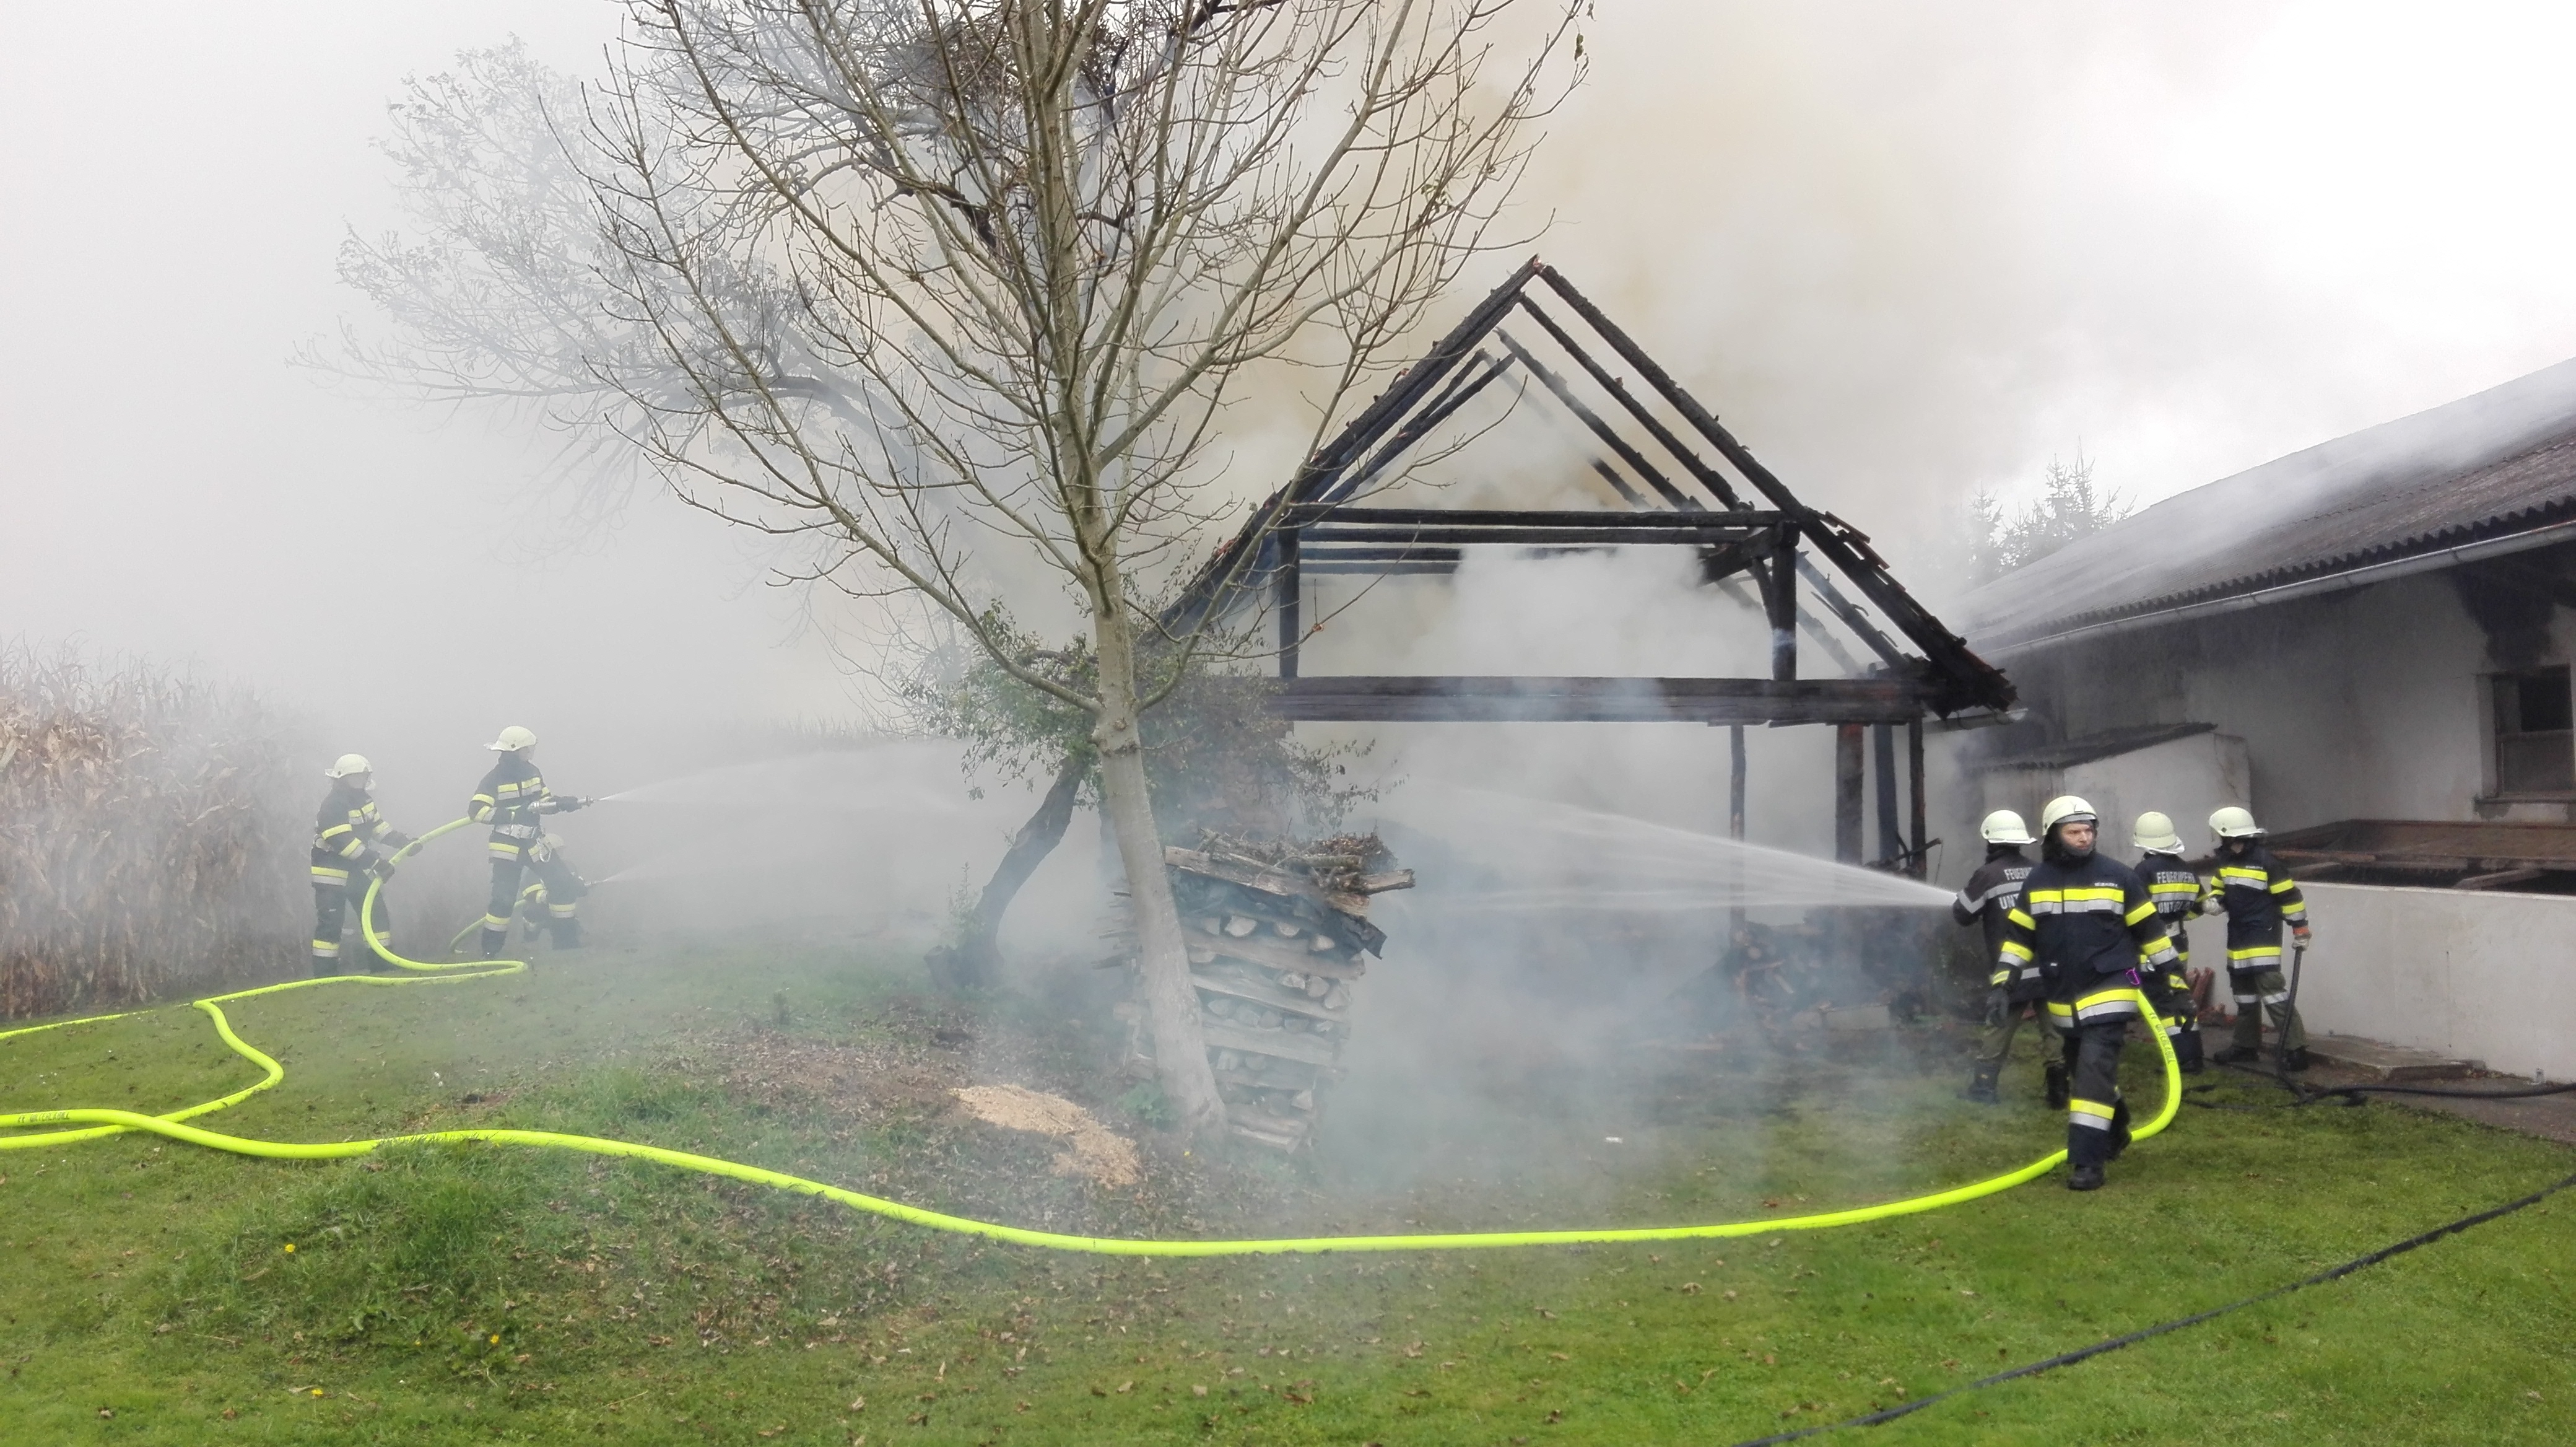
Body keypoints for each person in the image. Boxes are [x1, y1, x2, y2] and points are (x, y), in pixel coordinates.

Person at [1995, 795, 2183, 1192]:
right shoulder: (2037, 881)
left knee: (2091, 1075)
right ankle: (2116, 1125)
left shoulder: (2118, 877)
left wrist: (2178, 986)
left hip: (2111, 987)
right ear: (2054, 836)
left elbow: (2153, 935)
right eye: (2074, 832)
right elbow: (2019, 939)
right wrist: (2003, 984)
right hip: (2064, 998)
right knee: (2084, 1069)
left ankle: (2087, 1162)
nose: (2084, 838)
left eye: (2088, 831)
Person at [2204, 805, 2313, 1070]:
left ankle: (2296, 1050)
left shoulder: (2267, 862)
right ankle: (2245, 1047)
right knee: (2244, 995)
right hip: (2238, 936)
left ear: (2230, 835)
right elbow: (2219, 889)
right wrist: (2215, 902)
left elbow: (2290, 897)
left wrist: (2300, 928)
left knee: (2272, 992)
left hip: (2263, 935)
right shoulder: (2226, 861)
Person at [468, 725, 591, 958]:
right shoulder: (493, 780)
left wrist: (565, 804)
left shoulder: (533, 772)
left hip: (535, 844)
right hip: (506, 848)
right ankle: (490, 952)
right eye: (527, 749)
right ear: (515, 750)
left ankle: (566, 944)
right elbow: (476, 811)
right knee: (503, 901)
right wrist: (514, 814)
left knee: (563, 884)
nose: (531, 753)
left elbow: (544, 802)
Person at [1957, 809, 2045, 1104]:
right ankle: (2059, 1089)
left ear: (1990, 841)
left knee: (1999, 1026)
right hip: (2046, 968)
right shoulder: (2038, 871)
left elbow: (1963, 914)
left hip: (2010, 970)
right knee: (2054, 1031)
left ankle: (1984, 1089)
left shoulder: (1988, 875)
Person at [310, 754, 410, 977]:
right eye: (355, 777)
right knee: (331, 925)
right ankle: (325, 977)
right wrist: (375, 861)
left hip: (356, 870)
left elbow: (378, 828)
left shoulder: (365, 800)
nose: (360, 781)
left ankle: (382, 967)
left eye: (362, 777)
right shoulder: (334, 804)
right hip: (331, 874)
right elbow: (341, 841)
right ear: (341, 779)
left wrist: (403, 842)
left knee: (376, 915)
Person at [2130, 811, 2208, 1074]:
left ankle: (2182, 1060)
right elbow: (2198, 909)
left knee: (2163, 1003)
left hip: (2152, 949)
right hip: (2178, 945)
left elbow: (2134, 911)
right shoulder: (2187, 870)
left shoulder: (2144, 871)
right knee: (2180, 996)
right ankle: (2193, 1056)